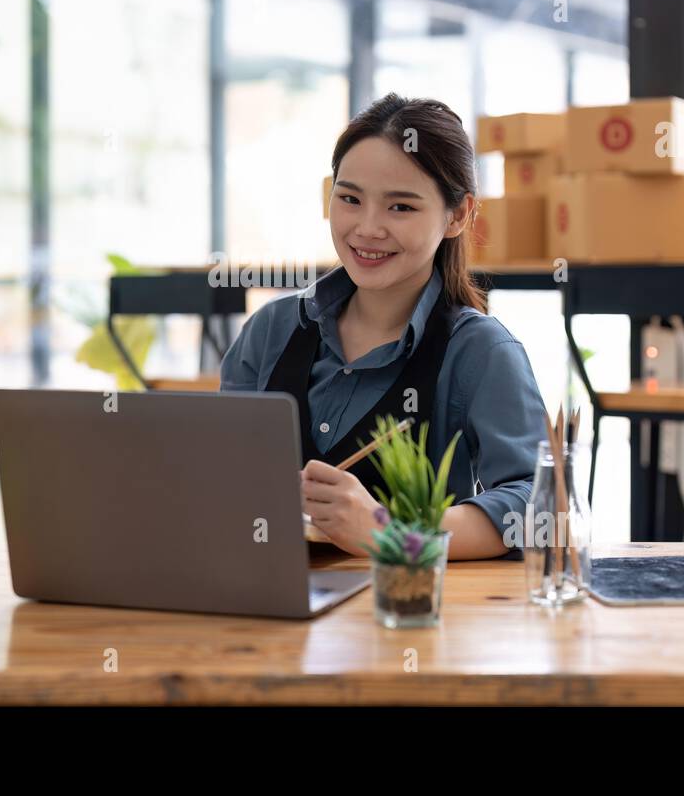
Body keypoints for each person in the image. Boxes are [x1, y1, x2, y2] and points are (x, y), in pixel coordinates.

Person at [220, 93, 546, 559]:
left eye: (401, 208)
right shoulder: (272, 328)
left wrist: (392, 533)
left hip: (405, 612)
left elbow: (535, 506)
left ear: (458, 216)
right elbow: (221, 474)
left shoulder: (481, 351)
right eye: (349, 198)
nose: (367, 228)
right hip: (270, 602)